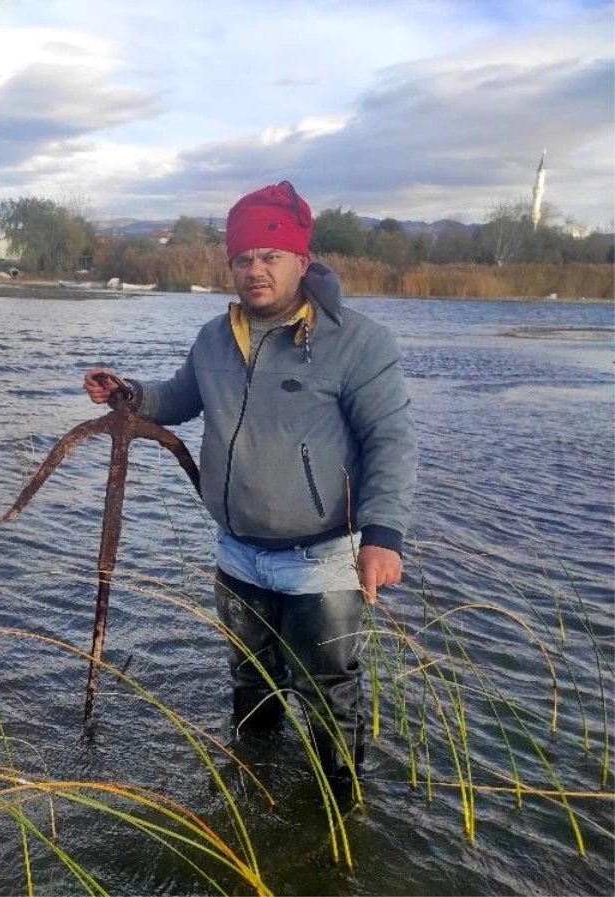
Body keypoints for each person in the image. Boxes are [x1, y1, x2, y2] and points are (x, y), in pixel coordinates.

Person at [82, 181, 417, 784]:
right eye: (243, 259)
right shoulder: (216, 336)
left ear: (301, 261)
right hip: (237, 554)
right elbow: (182, 398)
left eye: (270, 257)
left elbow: (390, 441)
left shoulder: (359, 342)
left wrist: (383, 535)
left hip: (320, 557)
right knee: (251, 687)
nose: (255, 270)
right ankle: (251, 798)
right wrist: (132, 395)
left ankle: (336, 812)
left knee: (329, 695)